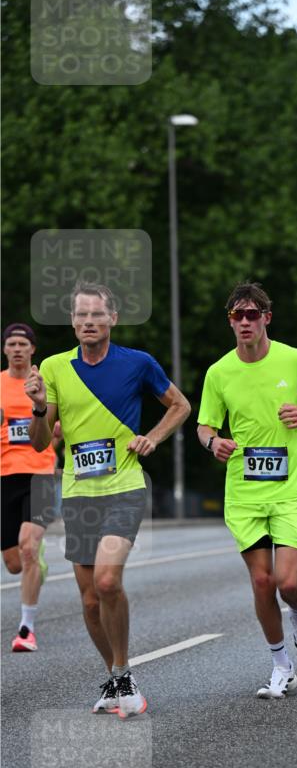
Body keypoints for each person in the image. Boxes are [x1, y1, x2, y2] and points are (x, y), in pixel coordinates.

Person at [26, 281, 190, 716]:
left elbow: (179, 405)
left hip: (125, 488)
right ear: (73, 322)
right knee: (88, 600)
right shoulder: (56, 367)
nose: (88, 323)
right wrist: (40, 407)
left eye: (97, 315)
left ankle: (123, 672)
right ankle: (117, 678)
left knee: (107, 581)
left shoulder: (138, 363)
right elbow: (41, 443)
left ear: (113, 319)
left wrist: (152, 438)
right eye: (81, 316)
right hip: (79, 493)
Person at [197, 281, 297, 701]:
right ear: (230, 321)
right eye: (237, 315)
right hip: (243, 493)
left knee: (288, 582)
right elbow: (204, 425)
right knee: (262, 582)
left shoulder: (294, 360)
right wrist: (212, 442)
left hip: (291, 490)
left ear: (266, 319)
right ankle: (281, 666)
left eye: (251, 314)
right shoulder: (219, 372)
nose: (244, 322)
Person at [1, 323, 57, 651]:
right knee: (13, 562)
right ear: (5, 350)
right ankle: (37, 562)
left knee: (27, 547)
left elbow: (58, 421)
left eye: (24, 343)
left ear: (33, 349)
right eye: (12, 344)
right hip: (5, 475)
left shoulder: (44, 384)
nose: (18, 348)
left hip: (40, 474)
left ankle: (26, 630)